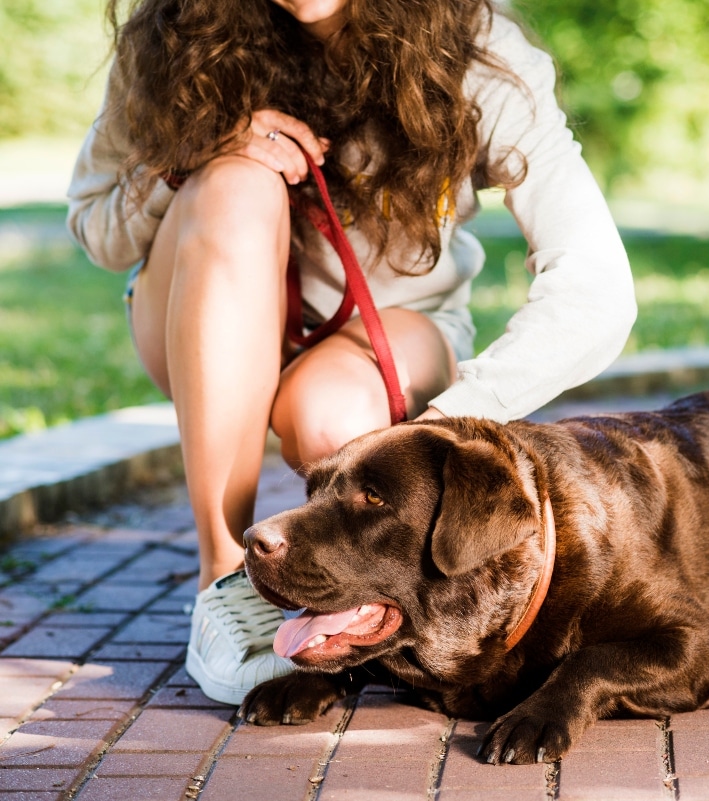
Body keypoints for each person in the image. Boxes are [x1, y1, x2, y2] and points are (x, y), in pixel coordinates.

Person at [66, 0, 636, 705]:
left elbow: (597, 289)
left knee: (341, 428)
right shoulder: (176, 32)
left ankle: (362, 608)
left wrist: (447, 423)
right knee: (236, 186)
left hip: (388, 332)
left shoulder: (478, 46)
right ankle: (225, 584)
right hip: (195, 319)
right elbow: (94, 223)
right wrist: (197, 157)